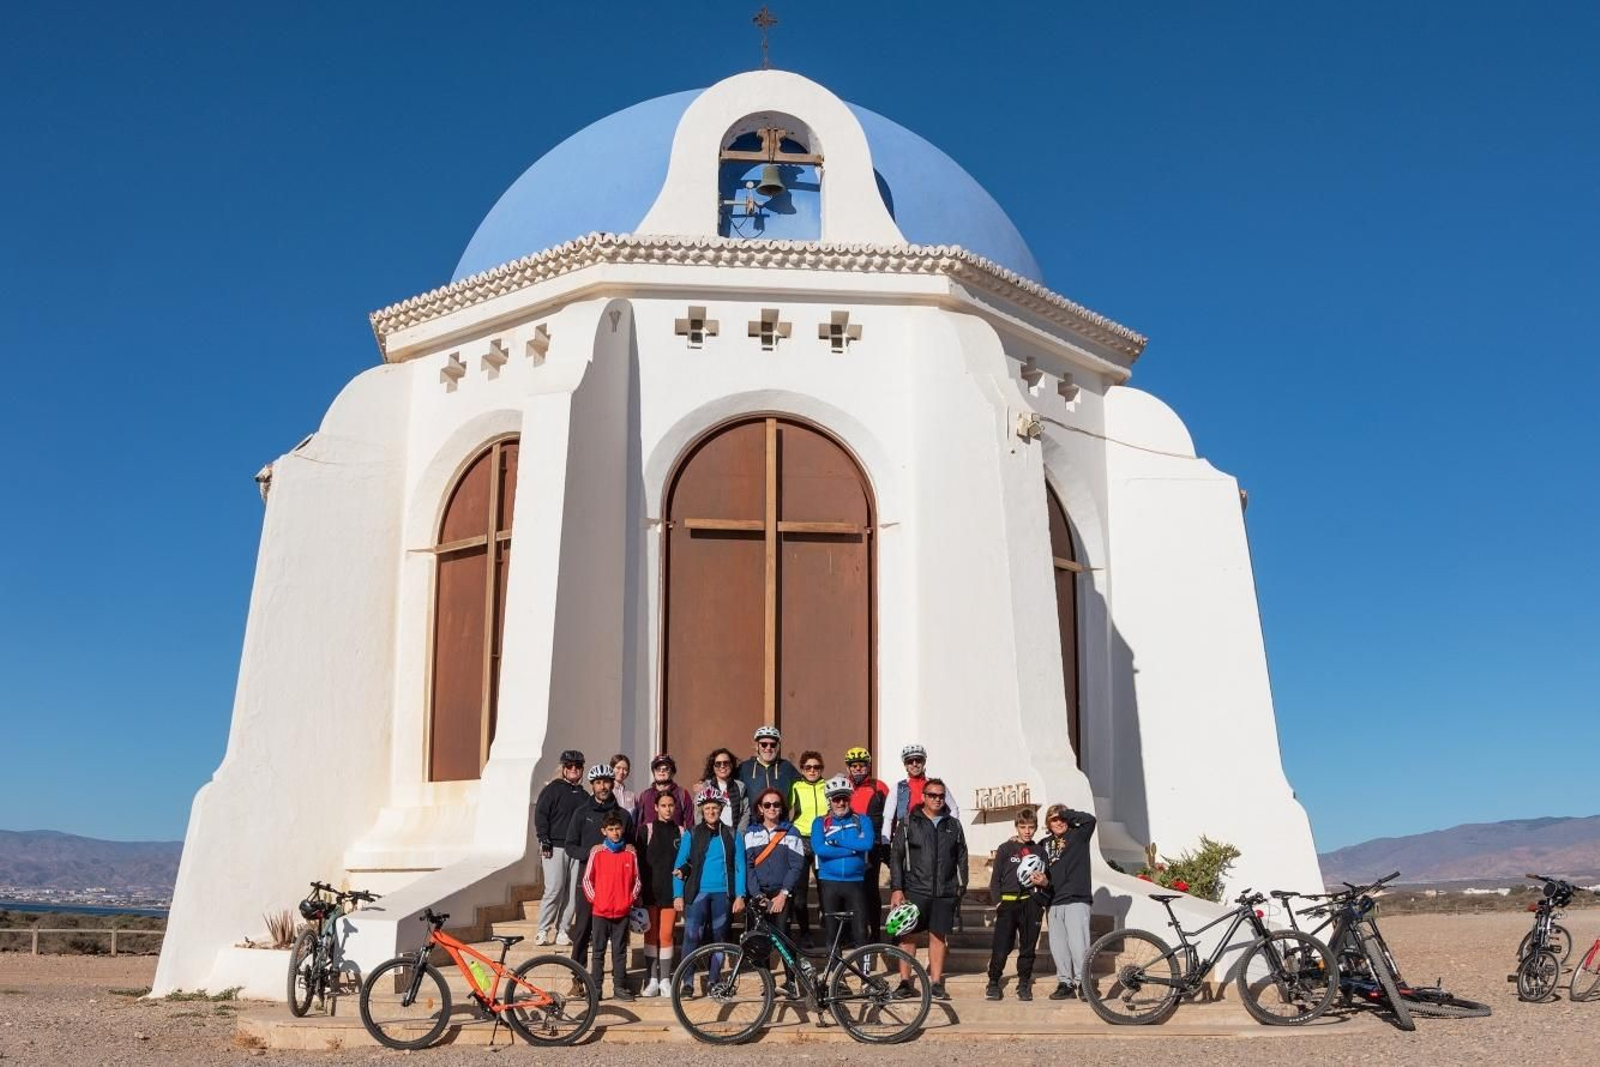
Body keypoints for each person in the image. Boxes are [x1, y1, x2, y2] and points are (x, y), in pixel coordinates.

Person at [889, 776, 965, 1002]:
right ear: (923, 797)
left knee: (938, 937)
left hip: (944, 891)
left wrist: (961, 885)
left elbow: (962, 857)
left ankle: (935, 983)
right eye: (932, 795)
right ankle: (905, 982)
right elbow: (897, 856)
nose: (937, 799)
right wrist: (897, 888)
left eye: (941, 796)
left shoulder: (953, 825)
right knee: (907, 935)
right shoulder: (908, 821)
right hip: (916, 889)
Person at [673, 788, 747, 997]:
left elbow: (740, 866)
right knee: (691, 936)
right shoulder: (692, 833)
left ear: (721, 809)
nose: (711, 811)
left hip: (723, 894)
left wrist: (740, 895)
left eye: (715, 807)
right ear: (702, 811)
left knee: (719, 938)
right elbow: (679, 864)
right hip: (697, 894)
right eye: (707, 808)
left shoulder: (733, 834)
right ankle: (687, 983)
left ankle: (714, 981)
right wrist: (677, 894)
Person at [565, 764, 634, 973]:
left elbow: (631, 845)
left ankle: (619, 979)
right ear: (592, 785)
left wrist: (631, 848)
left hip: (616, 885)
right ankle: (578, 977)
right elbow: (570, 846)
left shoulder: (623, 815)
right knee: (583, 929)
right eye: (597, 783)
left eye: (606, 782)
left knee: (616, 935)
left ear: (613, 783)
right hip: (588, 881)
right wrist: (590, 852)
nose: (602, 786)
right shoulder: (581, 813)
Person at [742, 787, 806, 997]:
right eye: (767, 805)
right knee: (761, 939)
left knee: (783, 937)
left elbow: (796, 866)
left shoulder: (791, 832)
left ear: (782, 808)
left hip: (781, 893)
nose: (772, 808)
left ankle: (791, 980)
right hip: (760, 893)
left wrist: (783, 894)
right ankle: (767, 982)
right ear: (760, 808)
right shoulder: (751, 833)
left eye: (776, 804)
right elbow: (749, 866)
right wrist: (756, 894)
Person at [1039, 802, 1097, 1000]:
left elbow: (1090, 819)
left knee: (1079, 945)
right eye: (1054, 819)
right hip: (1054, 900)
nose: (1059, 822)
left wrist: (1066, 814)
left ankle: (1084, 984)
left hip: (1076, 898)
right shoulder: (1044, 844)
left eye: (1062, 818)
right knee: (1059, 946)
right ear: (1048, 823)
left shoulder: (1079, 835)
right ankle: (1065, 983)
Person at [985, 807, 1045, 1001]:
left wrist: (1043, 885)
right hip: (1008, 904)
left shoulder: (1039, 851)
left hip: (1031, 904)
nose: (1027, 831)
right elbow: (995, 880)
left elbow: (1046, 880)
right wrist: (998, 902)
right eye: (1023, 827)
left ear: (1036, 828)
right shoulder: (1005, 848)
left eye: (1031, 827)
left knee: (1028, 947)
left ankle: (1024, 983)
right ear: (1016, 827)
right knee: (1001, 946)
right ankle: (993, 982)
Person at [812, 775, 874, 959]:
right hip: (829, 882)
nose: (840, 803)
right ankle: (839, 980)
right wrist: (852, 849)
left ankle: (865, 980)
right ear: (829, 801)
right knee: (832, 933)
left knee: (861, 932)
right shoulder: (820, 822)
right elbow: (820, 849)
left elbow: (867, 844)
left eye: (844, 798)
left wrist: (837, 841)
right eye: (836, 799)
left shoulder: (862, 820)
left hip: (855, 882)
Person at [582, 811, 640, 1001]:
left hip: (622, 912)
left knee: (620, 951)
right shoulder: (597, 853)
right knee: (598, 951)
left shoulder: (630, 854)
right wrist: (596, 900)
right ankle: (596, 988)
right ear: (604, 831)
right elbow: (587, 880)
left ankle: (619, 987)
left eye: (617, 829)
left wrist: (628, 901)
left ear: (622, 829)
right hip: (600, 911)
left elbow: (637, 881)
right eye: (611, 829)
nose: (615, 833)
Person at [532, 749, 588, 946]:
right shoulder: (552, 789)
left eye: (578, 767)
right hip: (554, 846)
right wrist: (543, 839)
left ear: (582, 770)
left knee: (573, 892)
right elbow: (541, 815)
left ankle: (563, 930)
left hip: (575, 848)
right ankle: (542, 930)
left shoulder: (584, 795)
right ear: (563, 769)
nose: (574, 770)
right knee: (554, 888)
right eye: (570, 766)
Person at [635, 789, 683, 997]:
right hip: (649, 893)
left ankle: (665, 979)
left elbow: (687, 862)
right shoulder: (646, 830)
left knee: (666, 935)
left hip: (671, 894)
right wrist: (637, 893)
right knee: (651, 935)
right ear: (655, 808)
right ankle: (651, 979)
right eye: (663, 805)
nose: (667, 809)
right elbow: (638, 864)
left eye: (671, 805)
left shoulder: (681, 832)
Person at [844, 746, 890, 942]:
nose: (857, 769)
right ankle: (851, 931)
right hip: (848, 845)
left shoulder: (879, 786)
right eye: (853, 766)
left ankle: (876, 933)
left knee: (871, 889)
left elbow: (889, 816)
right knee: (851, 888)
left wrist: (884, 840)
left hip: (872, 844)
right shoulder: (843, 786)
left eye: (861, 765)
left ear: (868, 766)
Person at [786, 750, 828, 948]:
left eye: (816, 767)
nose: (812, 771)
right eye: (808, 767)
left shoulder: (827, 786)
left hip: (823, 839)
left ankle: (829, 931)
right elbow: (784, 809)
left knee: (825, 889)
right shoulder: (796, 786)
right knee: (800, 893)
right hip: (801, 838)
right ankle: (805, 933)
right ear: (802, 769)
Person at [884, 743, 961, 845]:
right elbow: (888, 818)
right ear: (906, 765)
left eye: (918, 760)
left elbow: (953, 808)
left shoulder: (936, 785)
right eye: (910, 761)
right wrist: (885, 843)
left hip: (935, 836)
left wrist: (951, 832)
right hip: (908, 838)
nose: (915, 764)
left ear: (924, 762)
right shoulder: (898, 788)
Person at [736, 725, 799, 803]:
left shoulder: (786, 766)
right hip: (753, 815)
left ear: (778, 747)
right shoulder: (745, 768)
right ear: (757, 746)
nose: (768, 748)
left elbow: (806, 786)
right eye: (764, 744)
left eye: (773, 745)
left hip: (780, 815)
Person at [632, 753, 692, 829]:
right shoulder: (645, 795)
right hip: (650, 839)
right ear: (653, 772)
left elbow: (690, 824)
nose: (661, 771)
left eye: (666, 768)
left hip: (675, 839)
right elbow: (638, 825)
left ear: (672, 773)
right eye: (658, 769)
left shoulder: (682, 794)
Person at [697, 748, 749, 833]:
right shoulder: (705, 787)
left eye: (726, 763)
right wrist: (703, 835)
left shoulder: (740, 787)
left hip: (734, 835)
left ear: (731, 765)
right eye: (718, 764)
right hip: (710, 836)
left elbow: (745, 813)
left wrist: (739, 836)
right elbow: (698, 815)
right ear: (713, 767)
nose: (722, 766)